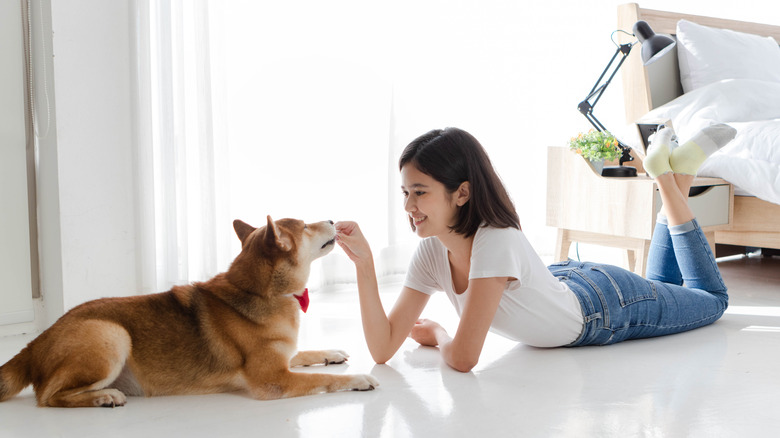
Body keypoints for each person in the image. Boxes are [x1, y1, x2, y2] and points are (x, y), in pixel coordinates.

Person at [335, 125, 735, 373]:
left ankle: (666, 179)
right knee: (662, 285)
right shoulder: (430, 252)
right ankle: (677, 175)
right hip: (567, 282)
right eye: (405, 193)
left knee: (711, 300)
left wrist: (439, 332)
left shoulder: (494, 241)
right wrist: (365, 265)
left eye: (419, 193)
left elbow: (463, 358)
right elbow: (383, 348)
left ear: (461, 193)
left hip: (605, 306)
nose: (408, 207)